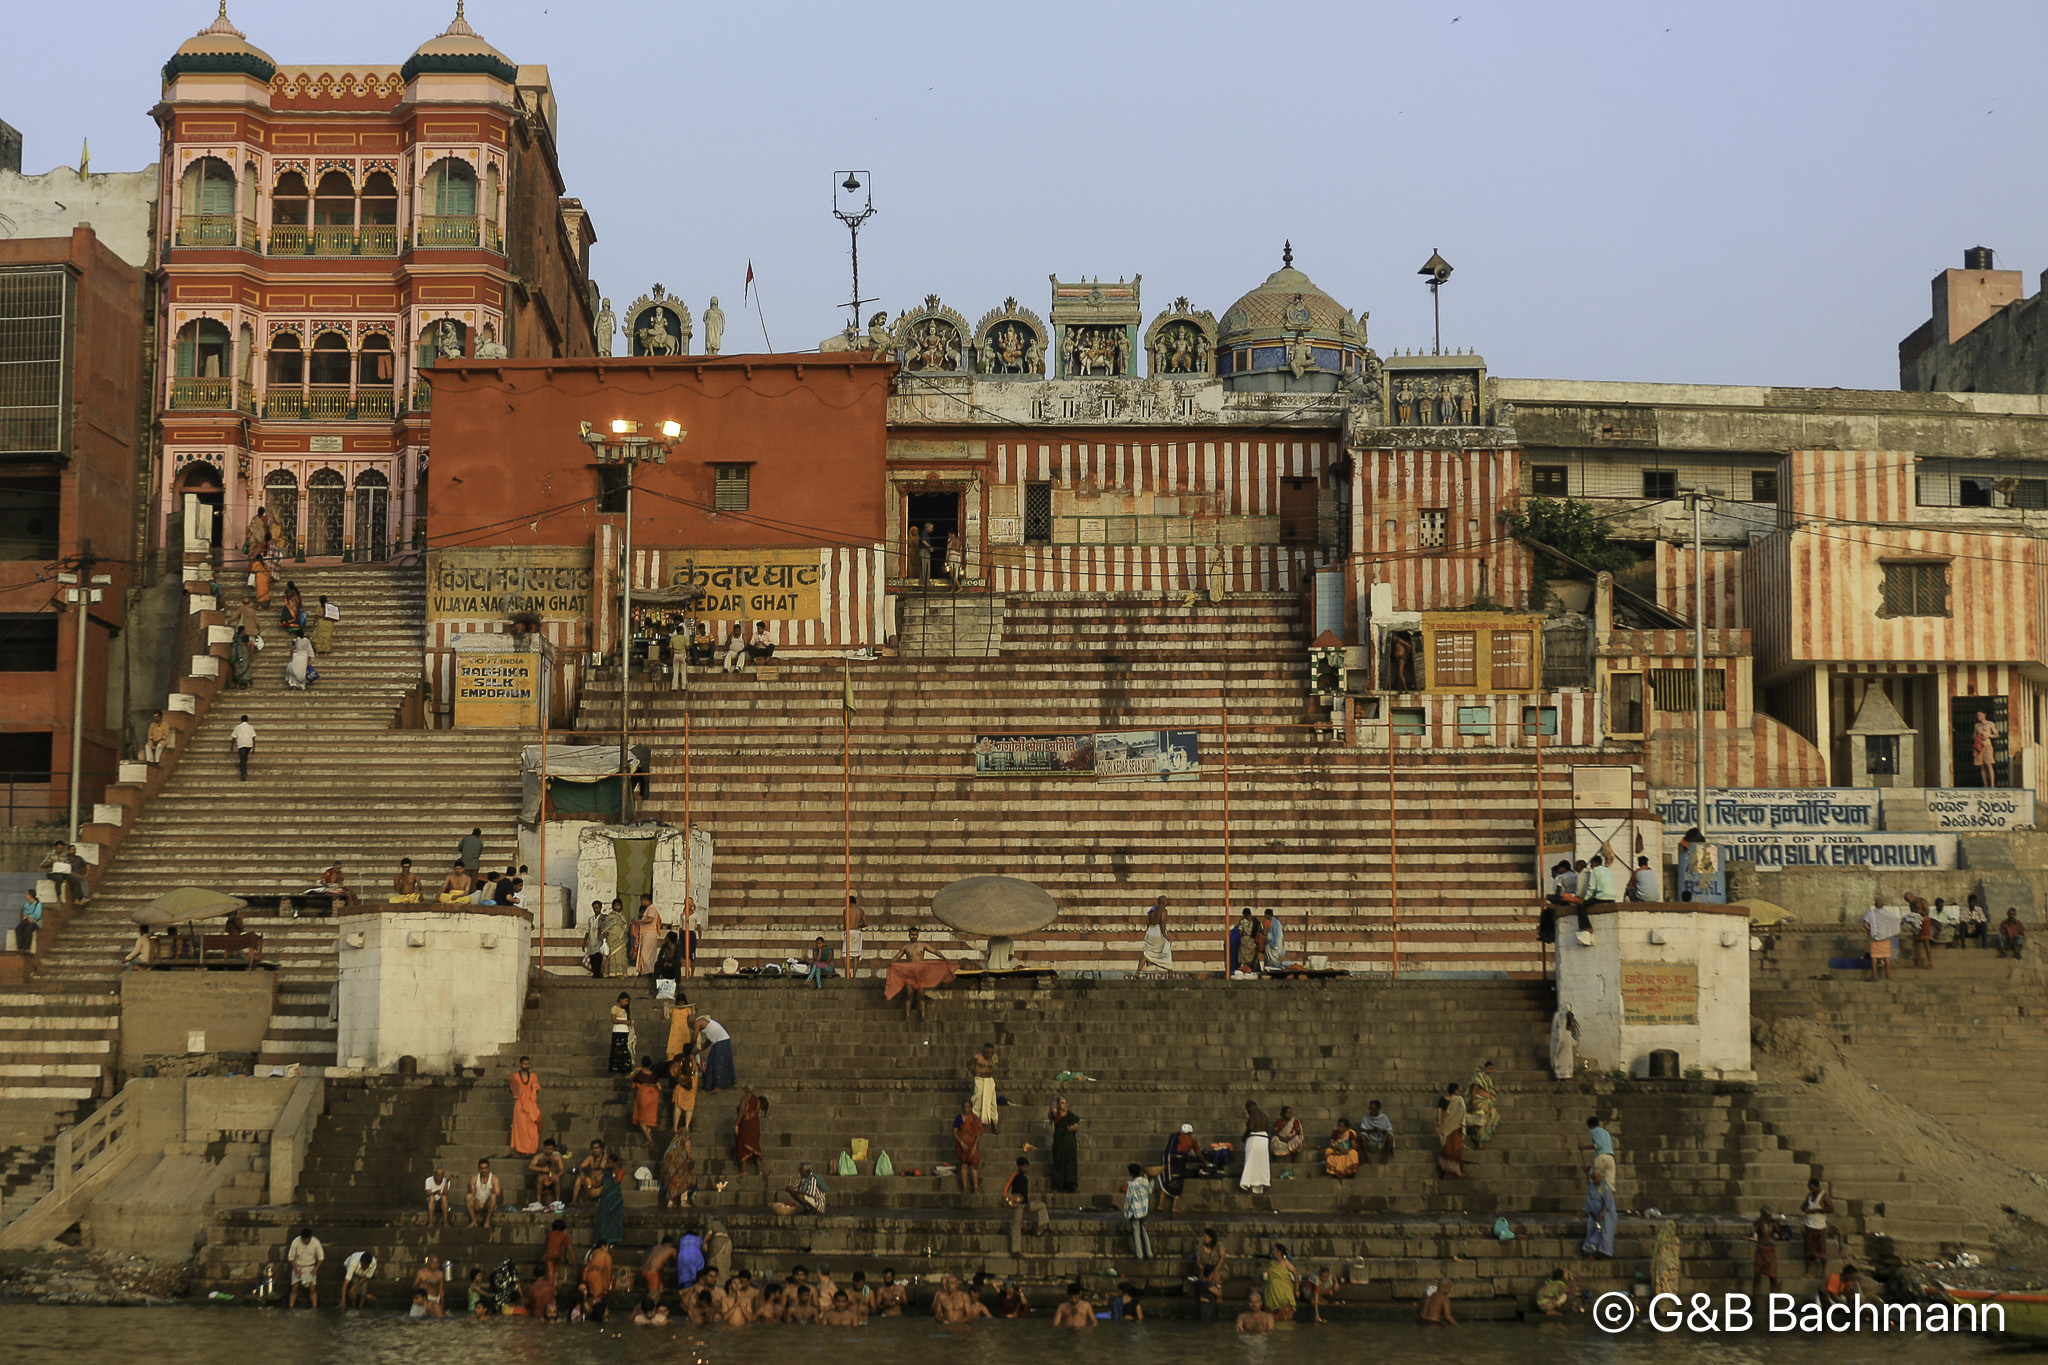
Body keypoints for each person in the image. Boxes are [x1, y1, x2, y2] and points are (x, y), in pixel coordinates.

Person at [884, 925, 957, 1022]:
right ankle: (907, 1016)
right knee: (909, 994)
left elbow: (935, 951)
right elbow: (897, 957)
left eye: (915, 935)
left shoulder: (923, 945)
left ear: (917, 935)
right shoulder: (905, 947)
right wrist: (890, 963)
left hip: (921, 973)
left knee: (921, 995)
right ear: (909, 935)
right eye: (912, 935)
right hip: (909, 974)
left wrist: (944, 958)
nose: (913, 936)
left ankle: (923, 1016)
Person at [1002, 1156, 1049, 1251]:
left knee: (1042, 1206)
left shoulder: (1025, 1178)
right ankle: (1015, 1250)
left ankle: (1040, 1229)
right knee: (1017, 1226)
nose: (1026, 1169)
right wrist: (1004, 1196)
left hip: (1026, 1203)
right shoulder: (1015, 1175)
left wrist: (1028, 1202)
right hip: (1018, 1204)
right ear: (1019, 1166)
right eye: (1024, 1167)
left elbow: (1026, 1191)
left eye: (1027, 1167)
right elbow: (1007, 1185)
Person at [1580, 1165, 1617, 1259]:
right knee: (1592, 1230)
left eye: (1598, 1177)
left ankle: (1604, 1254)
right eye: (1594, 1178)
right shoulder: (1591, 1187)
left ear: (1601, 1177)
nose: (1596, 1180)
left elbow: (1608, 1202)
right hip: (1594, 1213)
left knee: (1604, 1232)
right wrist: (1591, 1211)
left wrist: (1602, 1214)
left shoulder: (1606, 1187)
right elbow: (1589, 1200)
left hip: (1606, 1214)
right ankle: (1590, 1252)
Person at [1801, 1178, 1834, 1277]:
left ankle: (1823, 1272)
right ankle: (1809, 1271)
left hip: (1820, 1226)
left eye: (1813, 1188)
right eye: (1810, 1189)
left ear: (1818, 1187)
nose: (1812, 1190)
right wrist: (1806, 1210)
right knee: (1808, 1249)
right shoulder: (1809, 1196)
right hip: (1809, 1225)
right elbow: (1802, 1207)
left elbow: (1832, 1209)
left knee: (1822, 1250)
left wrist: (1819, 1210)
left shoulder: (1824, 1196)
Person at [1160, 1122, 1196, 1212]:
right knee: (1178, 1182)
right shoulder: (1191, 1140)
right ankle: (1174, 1207)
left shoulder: (1174, 1137)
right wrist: (1204, 1161)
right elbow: (1198, 1152)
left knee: (1165, 1181)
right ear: (1190, 1133)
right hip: (1178, 1163)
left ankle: (1160, 1205)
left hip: (1166, 1159)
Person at [1467, 1060, 1503, 1149]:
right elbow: (1474, 1090)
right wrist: (1474, 1102)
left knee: (1492, 1118)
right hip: (1480, 1103)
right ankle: (1480, 1143)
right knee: (1481, 1122)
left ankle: (1481, 1143)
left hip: (1487, 1103)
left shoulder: (1486, 1078)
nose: (1490, 1071)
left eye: (1491, 1069)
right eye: (1489, 1069)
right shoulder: (1478, 1077)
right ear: (1484, 1068)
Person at [285, 1226, 323, 1309]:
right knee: (294, 1288)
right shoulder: (295, 1242)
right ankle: (291, 1306)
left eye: (308, 1239)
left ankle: (314, 1307)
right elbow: (291, 1258)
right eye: (305, 1239)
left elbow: (321, 1258)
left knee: (312, 1289)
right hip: (298, 1266)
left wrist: (316, 1269)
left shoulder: (316, 1242)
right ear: (302, 1238)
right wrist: (296, 1269)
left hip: (310, 1267)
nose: (306, 1241)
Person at [1048, 1096, 1081, 1193]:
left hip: (1070, 1144)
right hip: (1059, 1143)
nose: (1065, 1105)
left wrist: (1072, 1128)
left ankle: (1071, 1185)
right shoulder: (1056, 1116)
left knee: (1071, 1164)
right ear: (1058, 1105)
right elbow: (1051, 1113)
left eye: (1065, 1103)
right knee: (1059, 1164)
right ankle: (1058, 1185)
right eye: (1062, 1103)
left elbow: (1076, 1126)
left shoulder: (1071, 1116)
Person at [1240, 1099, 1273, 1193]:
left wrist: (1244, 1136)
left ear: (1250, 1107)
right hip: (1264, 1139)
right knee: (1263, 1164)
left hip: (1254, 1139)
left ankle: (1249, 1184)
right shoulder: (1264, 1116)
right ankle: (1264, 1185)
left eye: (1247, 1109)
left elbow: (1250, 1127)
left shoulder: (1253, 1115)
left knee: (1251, 1162)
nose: (1247, 1112)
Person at [697, 1015, 737, 1091]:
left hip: (722, 1041)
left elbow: (703, 1040)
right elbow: (707, 1043)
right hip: (718, 1042)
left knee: (718, 1063)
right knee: (711, 1061)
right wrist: (697, 1051)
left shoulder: (708, 1024)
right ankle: (710, 1085)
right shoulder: (708, 1028)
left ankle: (720, 1085)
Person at [1122, 1162, 1153, 1259]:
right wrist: (1151, 1180)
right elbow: (1150, 1190)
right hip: (1144, 1211)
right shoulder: (1145, 1181)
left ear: (1131, 1173)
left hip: (1135, 1212)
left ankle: (1139, 1254)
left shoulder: (1132, 1185)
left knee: (1136, 1232)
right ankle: (1149, 1253)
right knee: (1144, 1231)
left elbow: (1128, 1200)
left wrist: (1125, 1212)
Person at [1863, 897, 1899, 981]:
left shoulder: (1870, 913)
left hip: (1875, 937)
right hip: (1885, 937)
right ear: (1883, 905)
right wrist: (1888, 930)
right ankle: (1888, 976)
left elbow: (1865, 925)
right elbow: (1896, 919)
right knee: (1886, 956)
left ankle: (1874, 976)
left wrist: (1872, 930)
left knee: (1874, 957)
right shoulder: (1888, 914)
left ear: (1875, 905)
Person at [1437, 1082, 1468, 1178]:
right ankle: (1449, 1172)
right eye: (1458, 1090)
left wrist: (1439, 1124)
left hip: (1449, 1127)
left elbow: (1439, 1113)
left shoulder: (1445, 1100)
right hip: (1454, 1127)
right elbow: (1463, 1111)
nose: (1459, 1092)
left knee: (1452, 1149)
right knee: (1451, 1149)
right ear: (1455, 1090)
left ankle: (1452, 1171)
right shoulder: (1459, 1100)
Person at [1751, 1206, 1782, 1297]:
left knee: (1773, 1278)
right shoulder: (1757, 1223)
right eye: (1767, 1215)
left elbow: (1781, 1236)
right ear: (1762, 1215)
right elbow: (1753, 1234)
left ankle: (1772, 1305)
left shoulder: (1774, 1223)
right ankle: (1755, 1305)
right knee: (1757, 1278)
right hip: (1761, 1250)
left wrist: (1777, 1225)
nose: (1769, 1217)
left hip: (1771, 1251)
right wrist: (1759, 1224)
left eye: (1770, 1214)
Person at [594, 1158, 626, 1246]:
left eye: (609, 1162)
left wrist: (612, 1173)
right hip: (605, 1198)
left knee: (615, 1219)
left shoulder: (620, 1171)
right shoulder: (606, 1171)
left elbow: (616, 1181)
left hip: (616, 1199)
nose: (607, 1164)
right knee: (603, 1219)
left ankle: (614, 1240)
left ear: (615, 1163)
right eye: (607, 1162)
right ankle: (602, 1240)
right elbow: (600, 1181)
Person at [952, 1098, 983, 1192]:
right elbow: (954, 1132)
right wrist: (961, 1142)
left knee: (973, 1166)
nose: (966, 1109)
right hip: (962, 1146)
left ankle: (976, 1188)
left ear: (971, 1108)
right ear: (962, 1108)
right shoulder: (958, 1118)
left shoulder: (975, 1119)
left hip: (973, 1145)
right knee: (964, 1165)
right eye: (965, 1107)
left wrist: (974, 1146)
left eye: (968, 1107)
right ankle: (965, 1188)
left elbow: (978, 1133)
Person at [1264, 1243, 1300, 1321]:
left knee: (1285, 1316)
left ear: (1279, 1252)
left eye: (1274, 1250)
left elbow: (1296, 1275)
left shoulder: (1286, 1263)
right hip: (1272, 1292)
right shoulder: (1272, 1263)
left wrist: (1297, 1289)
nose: (1273, 1252)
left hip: (1284, 1292)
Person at [629, 1056, 661, 1144]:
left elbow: (632, 1086)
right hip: (654, 1096)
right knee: (649, 1118)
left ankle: (649, 1138)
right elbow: (659, 1087)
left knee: (641, 1119)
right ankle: (648, 1139)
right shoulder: (653, 1075)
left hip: (643, 1096)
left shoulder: (638, 1073)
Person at [969, 1043, 1000, 1133]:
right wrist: (974, 1073)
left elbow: (993, 1067)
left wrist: (993, 1061)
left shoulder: (993, 1058)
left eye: (991, 1053)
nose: (989, 1055)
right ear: (983, 1051)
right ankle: (975, 1123)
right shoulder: (977, 1057)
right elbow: (968, 1064)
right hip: (979, 1079)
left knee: (992, 1102)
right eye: (987, 1053)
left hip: (989, 1080)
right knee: (977, 1098)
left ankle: (995, 1123)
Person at [734, 1088, 765, 1174]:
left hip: (746, 1125)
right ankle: (760, 1170)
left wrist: (737, 1123)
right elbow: (757, 1112)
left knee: (743, 1145)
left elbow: (742, 1111)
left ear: (746, 1089)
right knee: (755, 1145)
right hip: (755, 1124)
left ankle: (744, 1171)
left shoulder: (744, 1099)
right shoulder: (757, 1100)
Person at [1140, 895, 1174, 974]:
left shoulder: (1152, 910)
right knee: (1167, 953)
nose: (1167, 903)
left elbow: (1148, 922)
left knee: (1146, 953)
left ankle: (1138, 972)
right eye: (1166, 901)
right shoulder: (1163, 910)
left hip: (1151, 931)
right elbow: (1162, 923)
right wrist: (1165, 935)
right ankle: (1171, 974)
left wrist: (1149, 931)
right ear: (1163, 902)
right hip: (1159, 931)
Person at [661, 1130, 694, 1209]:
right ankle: (683, 1201)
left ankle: (670, 1201)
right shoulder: (686, 1136)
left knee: (671, 1179)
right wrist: (689, 1157)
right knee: (685, 1178)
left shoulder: (676, 1139)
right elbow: (687, 1146)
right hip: (678, 1159)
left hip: (667, 1158)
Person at [571, 1140, 610, 1204]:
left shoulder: (607, 1158)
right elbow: (581, 1166)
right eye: (593, 1148)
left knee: (607, 1179)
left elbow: (612, 1170)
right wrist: (582, 1173)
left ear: (602, 1149)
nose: (595, 1150)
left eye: (597, 1148)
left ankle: (601, 1202)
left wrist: (603, 1175)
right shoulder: (590, 1158)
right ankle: (573, 1201)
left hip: (601, 1184)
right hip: (590, 1183)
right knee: (579, 1178)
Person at [466, 1158, 501, 1228]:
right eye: (482, 1168)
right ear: (479, 1168)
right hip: (477, 1203)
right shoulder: (475, 1178)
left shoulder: (494, 1179)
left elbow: (498, 1194)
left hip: (488, 1204)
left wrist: (494, 1192)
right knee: (468, 1196)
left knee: (493, 1196)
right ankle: (474, 1221)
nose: (484, 1170)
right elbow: (472, 1193)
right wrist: (470, 1190)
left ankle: (487, 1221)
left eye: (485, 1168)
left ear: (488, 1168)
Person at [528, 1139, 564, 1204]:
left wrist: (557, 1175)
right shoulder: (539, 1156)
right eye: (546, 1149)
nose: (548, 1151)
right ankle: (538, 1201)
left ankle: (557, 1201)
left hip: (553, 1176)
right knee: (540, 1178)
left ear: (553, 1149)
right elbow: (531, 1166)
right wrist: (541, 1169)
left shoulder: (557, 1157)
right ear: (544, 1148)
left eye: (550, 1149)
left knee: (557, 1179)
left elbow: (562, 1169)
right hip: (542, 1176)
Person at [1360, 1099, 1396, 1163]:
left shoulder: (1384, 1117)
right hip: (1370, 1140)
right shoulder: (1366, 1117)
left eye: (1372, 1108)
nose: (1370, 1110)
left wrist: (1380, 1131)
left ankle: (1386, 1158)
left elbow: (1389, 1129)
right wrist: (1371, 1130)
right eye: (1370, 1108)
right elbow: (1362, 1129)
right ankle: (1366, 1158)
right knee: (1362, 1137)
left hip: (1381, 1140)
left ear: (1378, 1109)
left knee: (1390, 1137)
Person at [634, 897, 663, 975]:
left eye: (642, 901)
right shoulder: (650, 908)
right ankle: (649, 970)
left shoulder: (651, 908)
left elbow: (650, 919)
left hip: (649, 932)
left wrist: (638, 921)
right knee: (649, 953)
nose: (641, 902)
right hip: (647, 933)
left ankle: (648, 971)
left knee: (645, 953)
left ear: (646, 900)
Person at [1584, 1115, 1616, 1185]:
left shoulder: (1593, 1131)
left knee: (1595, 1181)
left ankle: (1596, 1195)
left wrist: (1583, 1147)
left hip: (1601, 1158)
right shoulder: (1606, 1132)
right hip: (1610, 1159)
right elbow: (1603, 1154)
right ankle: (1608, 1196)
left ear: (1591, 1126)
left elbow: (1598, 1146)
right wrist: (1589, 1167)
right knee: (1609, 1184)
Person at [608, 993, 635, 1074]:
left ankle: (624, 1071)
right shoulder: (614, 1008)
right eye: (625, 1001)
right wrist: (625, 1022)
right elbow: (613, 1020)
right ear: (620, 999)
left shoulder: (625, 1010)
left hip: (625, 1032)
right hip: (617, 1032)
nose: (626, 1003)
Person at [14, 890, 40, 954]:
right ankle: (20, 947)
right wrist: (28, 917)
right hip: (27, 922)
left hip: (36, 923)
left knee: (29, 928)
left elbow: (36, 917)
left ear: (30, 895)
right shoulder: (27, 905)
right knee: (19, 928)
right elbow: (25, 916)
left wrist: (29, 916)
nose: (26, 895)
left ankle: (27, 948)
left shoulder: (38, 905)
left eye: (27, 894)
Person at [231, 715, 256, 781]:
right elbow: (253, 737)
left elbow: (234, 737)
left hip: (241, 744)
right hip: (249, 745)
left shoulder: (238, 727)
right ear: (247, 720)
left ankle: (243, 773)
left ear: (241, 720)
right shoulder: (251, 727)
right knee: (244, 757)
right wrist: (253, 748)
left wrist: (232, 746)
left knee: (242, 758)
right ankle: (243, 768)